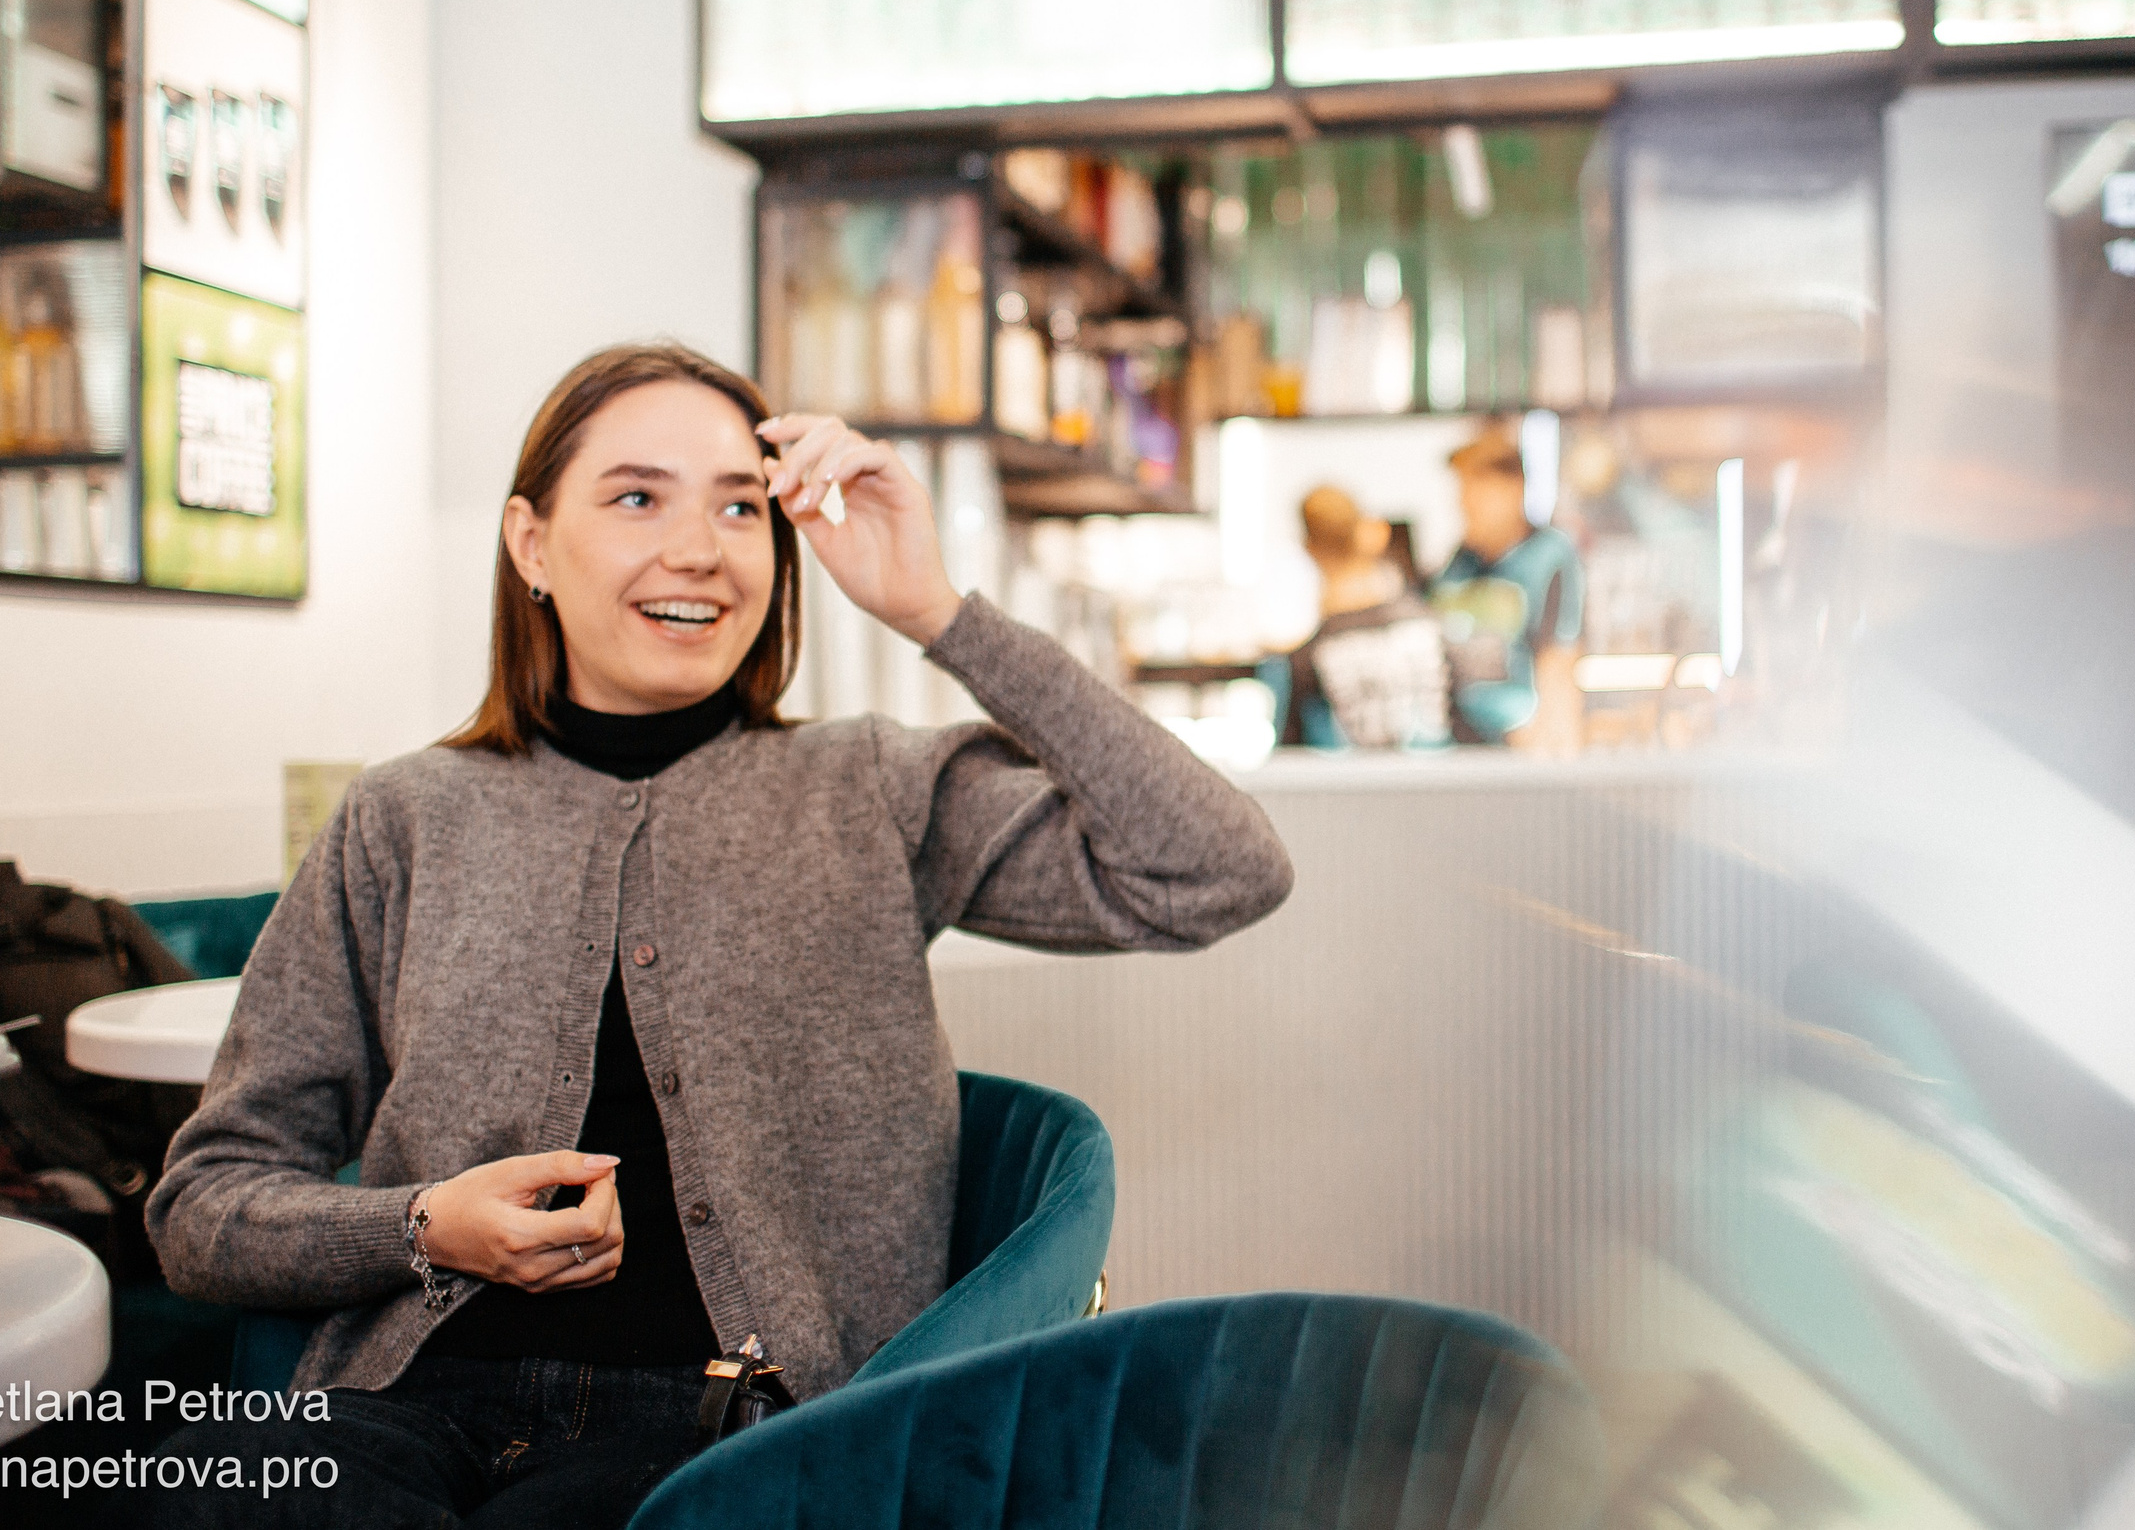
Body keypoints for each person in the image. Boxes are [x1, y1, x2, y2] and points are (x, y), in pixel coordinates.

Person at [142, 341, 1293, 1529]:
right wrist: (425, 1227)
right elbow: (204, 1206)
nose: (697, 548)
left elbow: (1217, 870)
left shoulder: (871, 789)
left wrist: (938, 614)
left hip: (720, 1441)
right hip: (395, 1409)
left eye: (741, 506)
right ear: (531, 543)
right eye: (637, 496)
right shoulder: (405, 816)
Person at [1431, 426, 1585, 753]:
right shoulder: (1459, 563)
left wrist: (1555, 748)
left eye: (1475, 493)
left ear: (1514, 489)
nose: (1463, 505)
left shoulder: (1549, 555)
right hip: (1456, 752)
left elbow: (1558, 660)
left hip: (1519, 751)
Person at [1277, 485, 1451, 749]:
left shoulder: (1308, 657)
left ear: (1309, 548)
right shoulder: (1431, 626)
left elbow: (1291, 759)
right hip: (1443, 784)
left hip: (1354, 787)